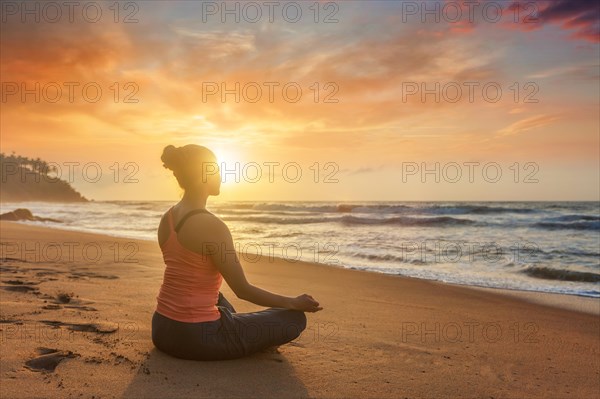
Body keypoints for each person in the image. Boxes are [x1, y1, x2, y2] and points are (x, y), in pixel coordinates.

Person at [152, 144, 323, 360]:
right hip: (197, 338)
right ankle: (243, 332)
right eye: (217, 170)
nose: (222, 176)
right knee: (294, 319)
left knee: (219, 298)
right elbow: (244, 290)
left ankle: (236, 325)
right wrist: (294, 302)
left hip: (162, 329)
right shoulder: (212, 226)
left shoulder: (166, 219)